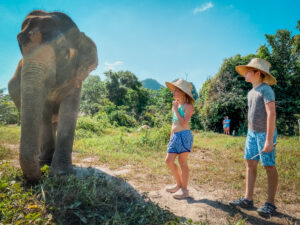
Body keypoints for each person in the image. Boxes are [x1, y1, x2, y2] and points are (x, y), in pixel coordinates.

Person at [229, 58, 278, 218]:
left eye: (248, 71)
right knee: (250, 164)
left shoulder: (266, 90)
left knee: (269, 165)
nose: (245, 73)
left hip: (265, 133)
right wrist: (249, 132)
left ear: (258, 73)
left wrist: (269, 140)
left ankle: (270, 204)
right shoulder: (250, 92)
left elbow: (271, 114)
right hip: (252, 133)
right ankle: (248, 199)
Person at [164, 79, 195, 199]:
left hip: (184, 135)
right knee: (168, 161)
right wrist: (170, 138)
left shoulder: (188, 106)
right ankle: (178, 184)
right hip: (175, 136)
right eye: (174, 90)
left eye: (177, 90)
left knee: (183, 163)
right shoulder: (176, 105)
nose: (174, 92)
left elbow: (183, 123)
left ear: (183, 92)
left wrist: (176, 109)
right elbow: (174, 124)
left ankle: (185, 190)